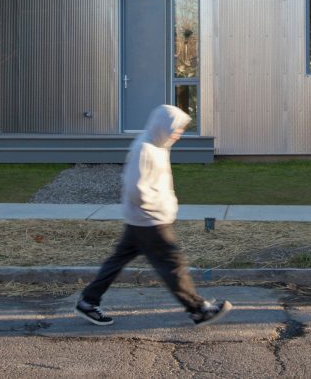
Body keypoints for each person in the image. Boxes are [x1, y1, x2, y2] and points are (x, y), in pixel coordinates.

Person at [75, 104, 232, 327]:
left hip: (140, 219)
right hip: (150, 221)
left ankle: (88, 302)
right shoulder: (145, 149)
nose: (179, 134)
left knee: (117, 261)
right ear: (163, 126)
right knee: (172, 263)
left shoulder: (158, 145)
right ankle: (198, 310)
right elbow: (135, 188)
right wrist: (157, 209)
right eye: (176, 129)